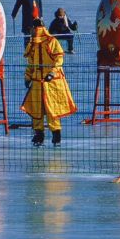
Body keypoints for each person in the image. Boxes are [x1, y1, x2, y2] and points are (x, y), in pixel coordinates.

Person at [22, 17, 77, 146]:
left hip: (51, 83)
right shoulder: (33, 44)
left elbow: (59, 60)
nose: (32, 31)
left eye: (33, 29)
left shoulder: (51, 42)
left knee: (52, 109)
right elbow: (31, 63)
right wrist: (28, 76)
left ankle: (56, 134)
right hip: (36, 82)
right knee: (36, 109)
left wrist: (52, 73)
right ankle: (39, 134)